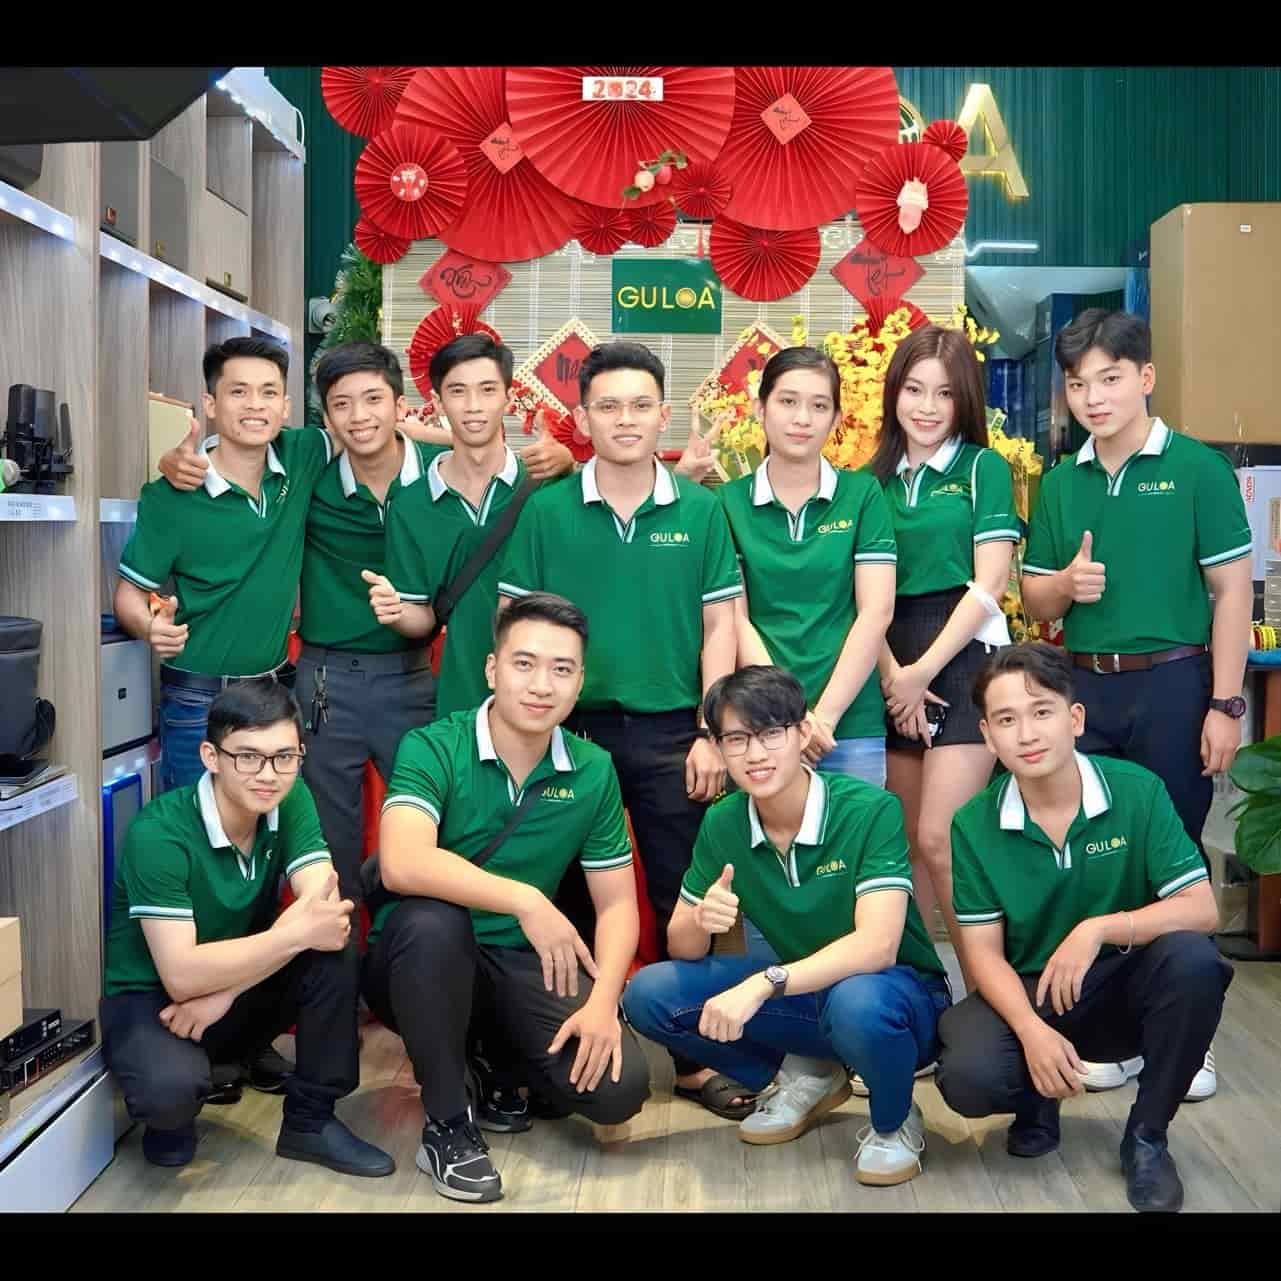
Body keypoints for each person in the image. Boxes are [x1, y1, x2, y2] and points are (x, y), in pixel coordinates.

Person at [149, 339, 573, 905]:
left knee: (436, 824)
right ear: (326, 418)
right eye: (342, 405)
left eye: (375, 400)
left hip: (414, 677)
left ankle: (414, 946)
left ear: (401, 406)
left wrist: (559, 459)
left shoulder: (434, 481)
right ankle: (338, 954)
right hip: (326, 682)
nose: (359, 416)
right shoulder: (309, 472)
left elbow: (478, 445)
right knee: (329, 843)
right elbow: (241, 442)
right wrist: (181, 458)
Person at [496, 341, 750, 1121]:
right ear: (581, 419)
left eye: (641, 404)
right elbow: (515, 624)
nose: (625, 419)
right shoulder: (546, 512)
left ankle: (696, 1059)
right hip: (569, 733)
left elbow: (720, 626)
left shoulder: (701, 510)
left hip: (677, 733)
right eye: (607, 405)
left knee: (685, 893)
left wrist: (710, 730)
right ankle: (563, 1054)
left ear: (663, 414)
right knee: (565, 892)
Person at [1019, 309, 1252, 1101]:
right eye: (1078, 383)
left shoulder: (1196, 469)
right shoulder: (1061, 481)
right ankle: (1112, 1035)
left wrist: (1224, 703)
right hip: (1083, 688)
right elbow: (1034, 595)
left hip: (1173, 684)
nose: (1093, 397)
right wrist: (1063, 585)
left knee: (1170, 855)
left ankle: (1188, 1036)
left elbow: (1230, 593)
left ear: (1144, 378)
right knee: (1095, 860)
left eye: (1110, 378)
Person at [362, 592, 650, 1204]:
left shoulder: (593, 769)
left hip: (516, 960)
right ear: (492, 670)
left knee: (618, 1091)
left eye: (561, 669)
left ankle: (494, 1061)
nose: (542, 685)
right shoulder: (434, 746)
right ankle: (447, 1125)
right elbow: (402, 861)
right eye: (524, 663)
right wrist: (526, 900)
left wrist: (605, 1001)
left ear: (579, 682)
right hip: (416, 961)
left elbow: (618, 906)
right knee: (434, 924)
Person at [622, 666, 950, 1187]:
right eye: (737, 739)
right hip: (806, 995)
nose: (755, 754)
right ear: (719, 748)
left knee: (857, 1002)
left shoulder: (869, 809)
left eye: (771, 733)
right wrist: (701, 920)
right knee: (649, 993)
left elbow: (878, 946)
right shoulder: (724, 820)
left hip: (900, 998)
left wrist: (763, 982)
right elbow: (681, 947)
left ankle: (893, 1120)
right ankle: (808, 1076)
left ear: (803, 733)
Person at [935, 643, 1230, 1214]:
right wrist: (1032, 1031)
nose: (1027, 734)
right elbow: (983, 955)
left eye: (1041, 712)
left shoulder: (1136, 790)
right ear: (988, 736)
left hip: (1122, 984)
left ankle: (1147, 1137)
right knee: (969, 1076)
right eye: (1006, 720)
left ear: (1074, 719)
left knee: (1194, 961)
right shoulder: (973, 823)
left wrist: (1098, 928)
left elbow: (1202, 909)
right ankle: (1035, 1102)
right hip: (1034, 990)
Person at [99, 681, 395, 1176]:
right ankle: (192, 1086)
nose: (268, 774)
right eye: (248, 757)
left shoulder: (288, 797)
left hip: (228, 989)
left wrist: (226, 993)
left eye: (284, 757)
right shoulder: (160, 832)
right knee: (168, 1100)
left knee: (333, 945)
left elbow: (324, 909)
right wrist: (288, 939)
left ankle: (310, 1120)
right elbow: (181, 976)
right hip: (155, 1001)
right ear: (211, 757)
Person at [871, 325, 1020, 994]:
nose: (927, 407)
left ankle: (991, 997)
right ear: (894, 393)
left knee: (941, 838)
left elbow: (990, 583)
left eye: (944, 394)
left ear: (964, 401)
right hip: (887, 655)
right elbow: (858, 597)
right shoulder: (868, 481)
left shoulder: (982, 470)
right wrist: (892, 676)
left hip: (962, 658)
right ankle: (921, 996)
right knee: (904, 846)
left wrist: (921, 673)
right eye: (914, 390)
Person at [369, 333, 574, 721]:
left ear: (509, 399)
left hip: (547, 700)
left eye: (487, 390)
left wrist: (569, 461)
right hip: (460, 699)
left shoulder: (548, 488)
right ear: (437, 402)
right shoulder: (411, 505)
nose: (473, 405)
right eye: (458, 391)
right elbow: (423, 618)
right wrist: (396, 611)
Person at [718, 346, 896, 787]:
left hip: (849, 723)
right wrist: (787, 717)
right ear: (760, 408)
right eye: (787, 401)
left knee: (856, 829)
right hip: (760, 723)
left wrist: (824, 719)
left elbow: (875, 612)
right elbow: (736, 619)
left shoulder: (862, 495)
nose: (802, 419)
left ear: (836, 420)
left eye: (819, 406)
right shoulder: (726, 503)